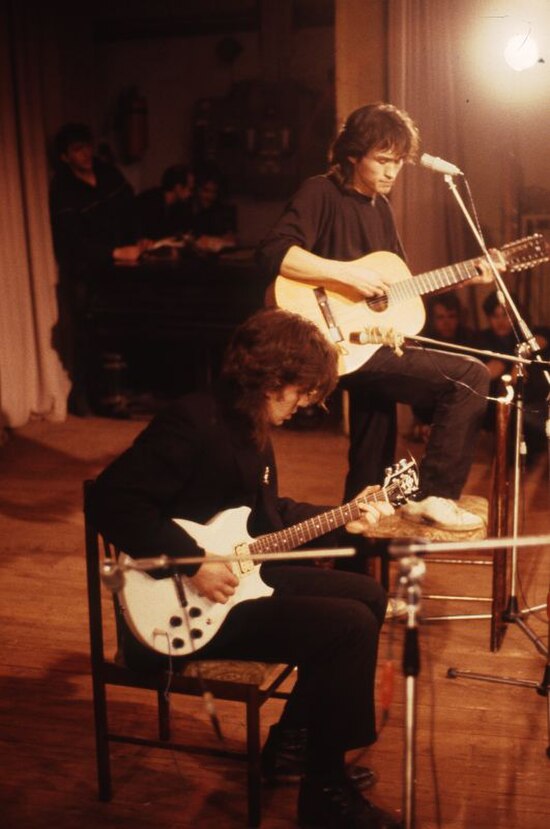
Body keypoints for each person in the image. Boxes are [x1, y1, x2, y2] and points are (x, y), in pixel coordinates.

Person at [87, 308, 401, 829]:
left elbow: (268, 520)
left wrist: (349, 515)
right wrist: (191, 564)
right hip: (176, 609)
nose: (304, 405)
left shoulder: (249, 425)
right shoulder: (192, 421)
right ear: (273, 379)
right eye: (301, 392)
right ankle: (323, 795)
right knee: (348, 627)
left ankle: (292, 745)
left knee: (366, 595)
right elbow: (111, 501)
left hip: (235, 579)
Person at [257, 102, 492, 533]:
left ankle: (360, 575)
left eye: (398, 163)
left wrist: (465, 278)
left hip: (366, 346)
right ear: (352, 155)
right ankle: (435, 495)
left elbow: (400, 287)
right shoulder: (320, 193)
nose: (391, 173)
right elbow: (274, 252)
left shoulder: (380, 210)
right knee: (470, 378)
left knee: (372, 464)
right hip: (325, 345)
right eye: (382, 161)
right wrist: (346, 273)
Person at [49, 122, 150, 416]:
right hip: (88, 273)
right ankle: (87, 402)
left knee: (127, 332)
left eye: (87, 146)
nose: (86, 154)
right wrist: (112, 252)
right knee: (89, 337)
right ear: (65, 156)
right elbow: (71, 239)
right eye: (78, 150)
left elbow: (131, 208)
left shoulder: (108, 174)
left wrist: (139, 237)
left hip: (123, 268)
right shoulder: (63, 188)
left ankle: (122, 394)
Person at [475, 290, 549, 459]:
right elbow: (488, 372)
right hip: (504, 409)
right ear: (488, 317)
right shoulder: (482, 339)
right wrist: (507, 369)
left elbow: (543, 338)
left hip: (535, 405)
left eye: (505, 315)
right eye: (496, 316)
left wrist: (521, 357)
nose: (501, 321)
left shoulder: (523, 334)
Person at [410, 293, 477, 441]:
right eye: (440, 317)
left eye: (451, 316)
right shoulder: (424, 342)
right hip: (431, 406)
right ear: (432, 320)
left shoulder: (469, 339)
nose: (446, 323)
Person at [136, 163, 195, 241]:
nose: (191, 194)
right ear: (178, 187)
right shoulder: (149, 202)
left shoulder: (180, 206)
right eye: (190, 189)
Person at [189, 161, 238, 253]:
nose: (210, 196)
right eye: (206, 191)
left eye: (214, 192)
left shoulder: (219, 210)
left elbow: (230, 239)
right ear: (196, 189)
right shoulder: (185, 209)